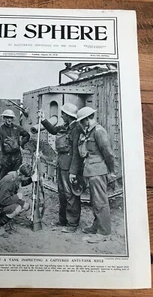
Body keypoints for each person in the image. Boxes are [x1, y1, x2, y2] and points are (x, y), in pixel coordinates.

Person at [39, 102, 83, 233]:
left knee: (71, 195)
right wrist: (43, 119)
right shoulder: (67, 126)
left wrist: (73, 172)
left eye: (63, 113)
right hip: (62, 163)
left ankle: (72, 224)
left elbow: (76, 152)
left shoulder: (76, 129)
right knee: (62, 194)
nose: (61, 115)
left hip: (69, 167)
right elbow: (53, 130)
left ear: (68, 115)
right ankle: (63, 220)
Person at [77, 106, 116, 244]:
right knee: (95, 201)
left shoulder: (99, 132)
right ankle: (97, 225)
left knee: (100, 202)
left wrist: (111, 172)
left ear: (87, 119)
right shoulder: (90, 132)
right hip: (91, 171)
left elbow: (108, 153)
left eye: (82, 121)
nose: (81, 124)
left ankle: (104, 232)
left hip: (98, 172)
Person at [0, 163, 32, 236]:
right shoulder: (9, 181)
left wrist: (22, 202)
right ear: (23, 176)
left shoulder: (15, 177)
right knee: (17, 208)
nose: (27, 180)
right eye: (27, 178)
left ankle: (1, 220)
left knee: (21, 205)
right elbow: (2, 201)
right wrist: (18, 198)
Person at [0, 109, 30, 179]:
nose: (9, 120)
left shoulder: (17, 128)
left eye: (11, 118)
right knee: (2, 178)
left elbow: (27, 135)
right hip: (5, 157)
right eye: (7, 117)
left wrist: (21, 144)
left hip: (17, 157)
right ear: (4, 118)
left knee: (16, 177)